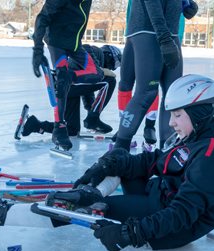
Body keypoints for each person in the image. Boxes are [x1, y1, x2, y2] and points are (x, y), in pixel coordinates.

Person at [0, 74, 214, 251]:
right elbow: (156, 162)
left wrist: (132, 232)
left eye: (178, 115)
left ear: (197, 114)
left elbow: (184, 214)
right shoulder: (197, 136)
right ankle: (92, 192)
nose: (171, 122)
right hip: (161, 195)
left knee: (86, 209)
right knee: (118, 165)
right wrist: (109, 163)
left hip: (172, 227)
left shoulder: (211, 156)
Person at [116, 0, 198, 148]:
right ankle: (119, 150)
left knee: (173, 96)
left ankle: (167, 148)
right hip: (151, 32)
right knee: (146, 93)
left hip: (168, 33)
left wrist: (186, 3)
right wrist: (164, 38)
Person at [31, 0, 104, 151]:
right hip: (56, 42)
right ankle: (59, 127)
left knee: (97, 73)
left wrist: (71, 76)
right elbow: (42, 17)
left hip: (75, 44)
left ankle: (67, 77)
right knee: (62, 77)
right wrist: (38, 49)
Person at [21, 44, 121, 137]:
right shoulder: (92, 50)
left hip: (69, 89)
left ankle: (36, 125)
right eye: (115, 63)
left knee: (71, 129)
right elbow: (91, 70)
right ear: (109, 55)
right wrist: (92, 117)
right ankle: (93, 118)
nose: (113, 68)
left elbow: (87, 85)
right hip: (69, 85)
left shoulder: (96, 64)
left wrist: (90, 109)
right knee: (110, 81)